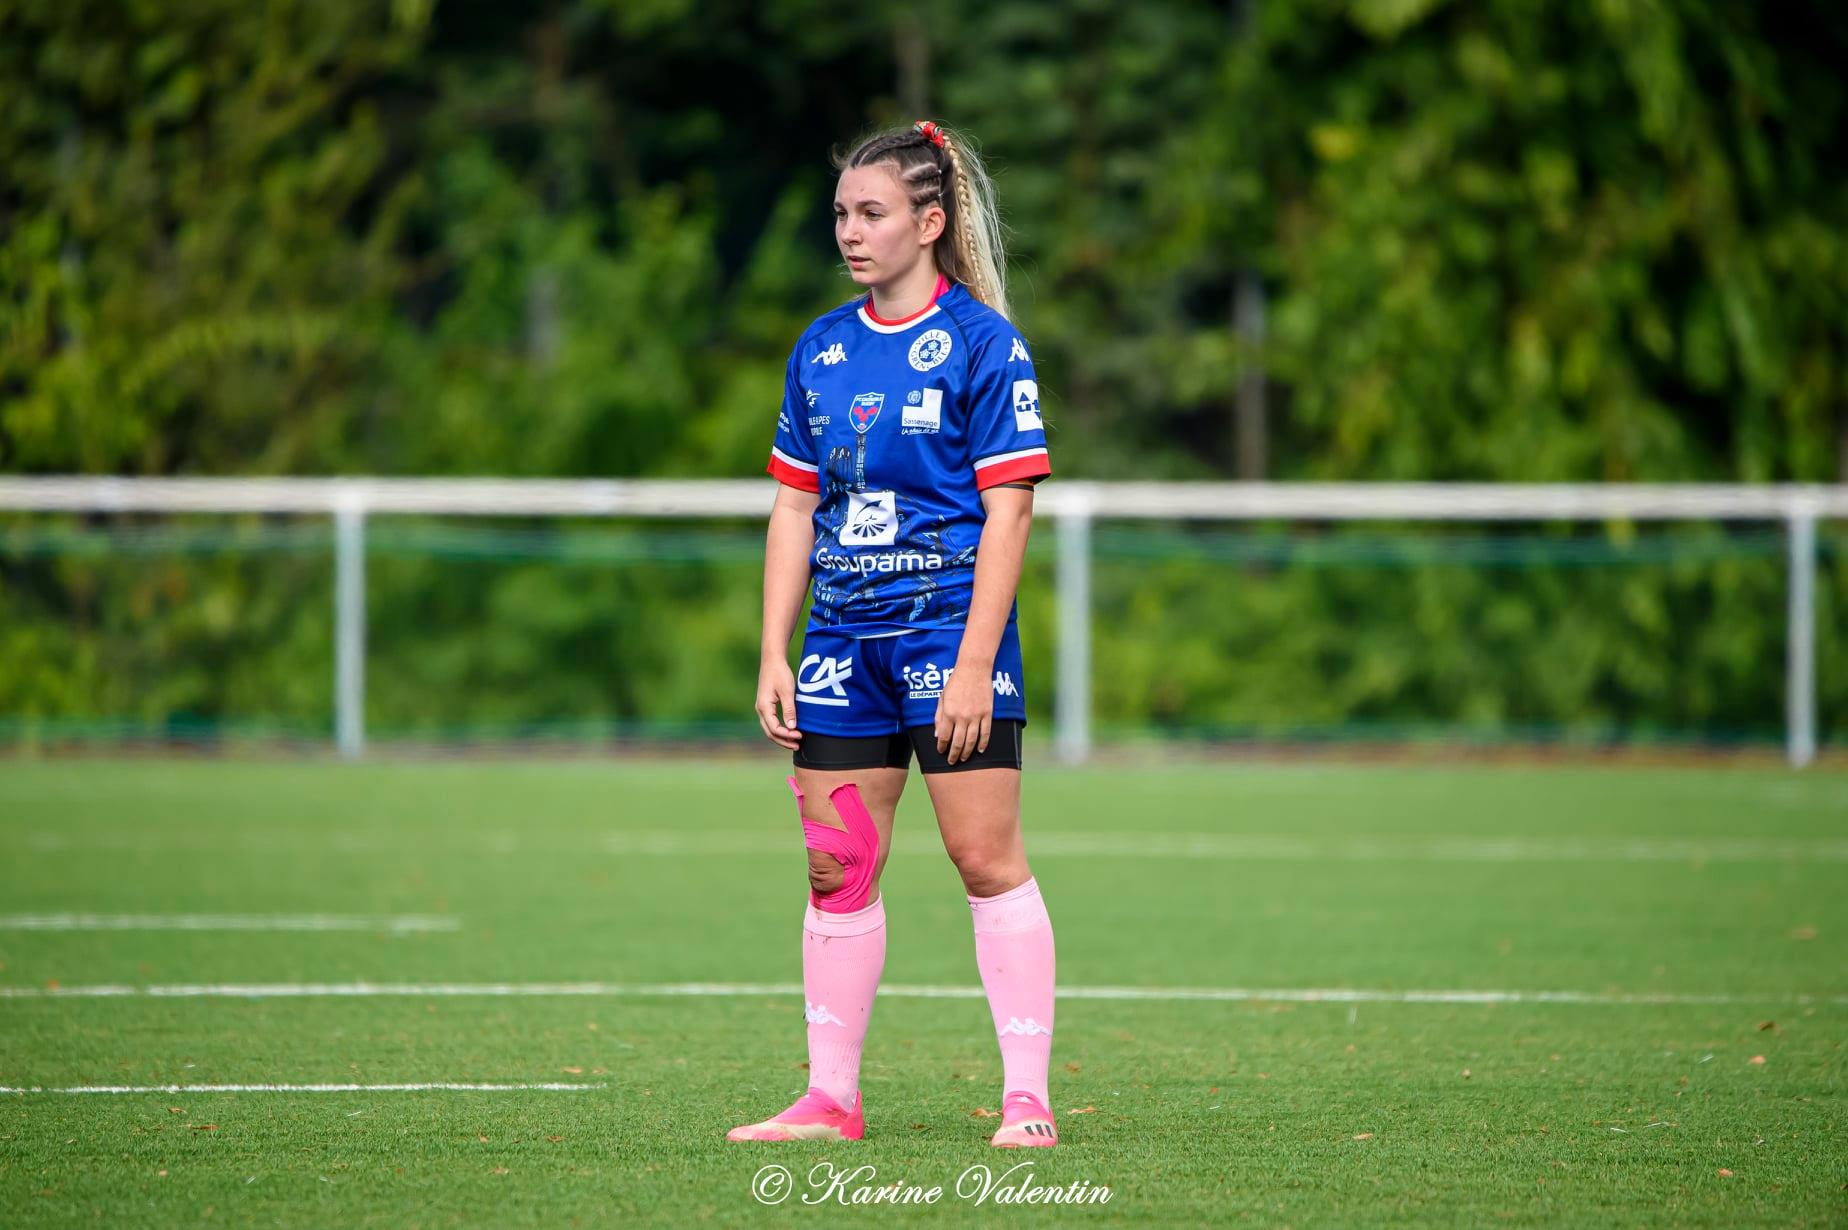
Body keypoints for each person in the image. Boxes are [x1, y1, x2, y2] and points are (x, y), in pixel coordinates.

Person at [730, 121, 1057, 1148]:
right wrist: (774, 648)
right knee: (835, 868)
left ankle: (1026, 1100)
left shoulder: (983, 345)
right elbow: (793, 508)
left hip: (946, 641)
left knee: (982, 856)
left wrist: (971, 665)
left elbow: (1010, 511)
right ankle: (831, 1099)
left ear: (930, 220)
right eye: (841, 214)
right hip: (842, 646)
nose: (849, 233)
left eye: (870, 214)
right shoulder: (820, 349)